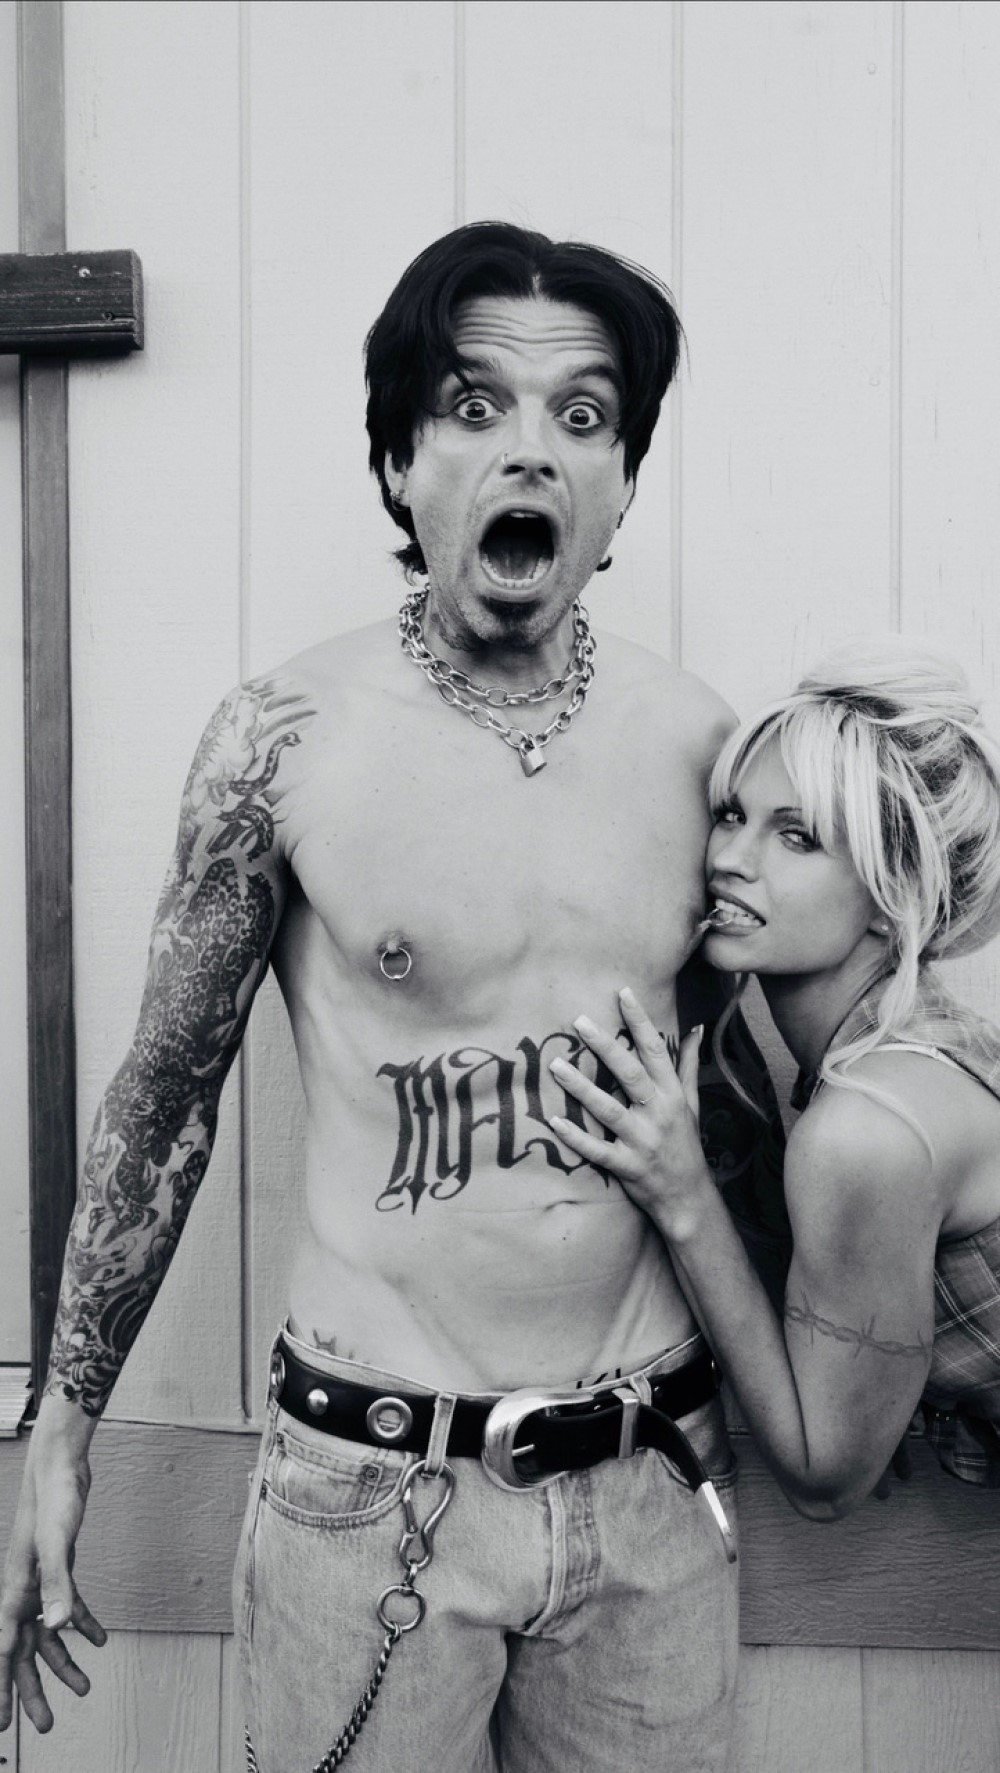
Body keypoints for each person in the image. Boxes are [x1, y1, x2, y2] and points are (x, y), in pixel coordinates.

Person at [0, 223, 785, 1773]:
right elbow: (163, 1097)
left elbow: (763, 1094)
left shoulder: (708, 752)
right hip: (370, 1496)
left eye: (583, 415)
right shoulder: (281, 741)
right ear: (397, 462)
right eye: (474, 405)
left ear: (624, 481)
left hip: (649, 1481)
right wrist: (60, 1434)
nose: (531, 449)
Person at [554, 640, 1000, 1520]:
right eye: (731, 814)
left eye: (797, 836)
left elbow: (825, 1479)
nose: (730, 856)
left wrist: (683, 1192)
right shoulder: (931, 1048)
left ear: (895, 893)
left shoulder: (870, 1129)